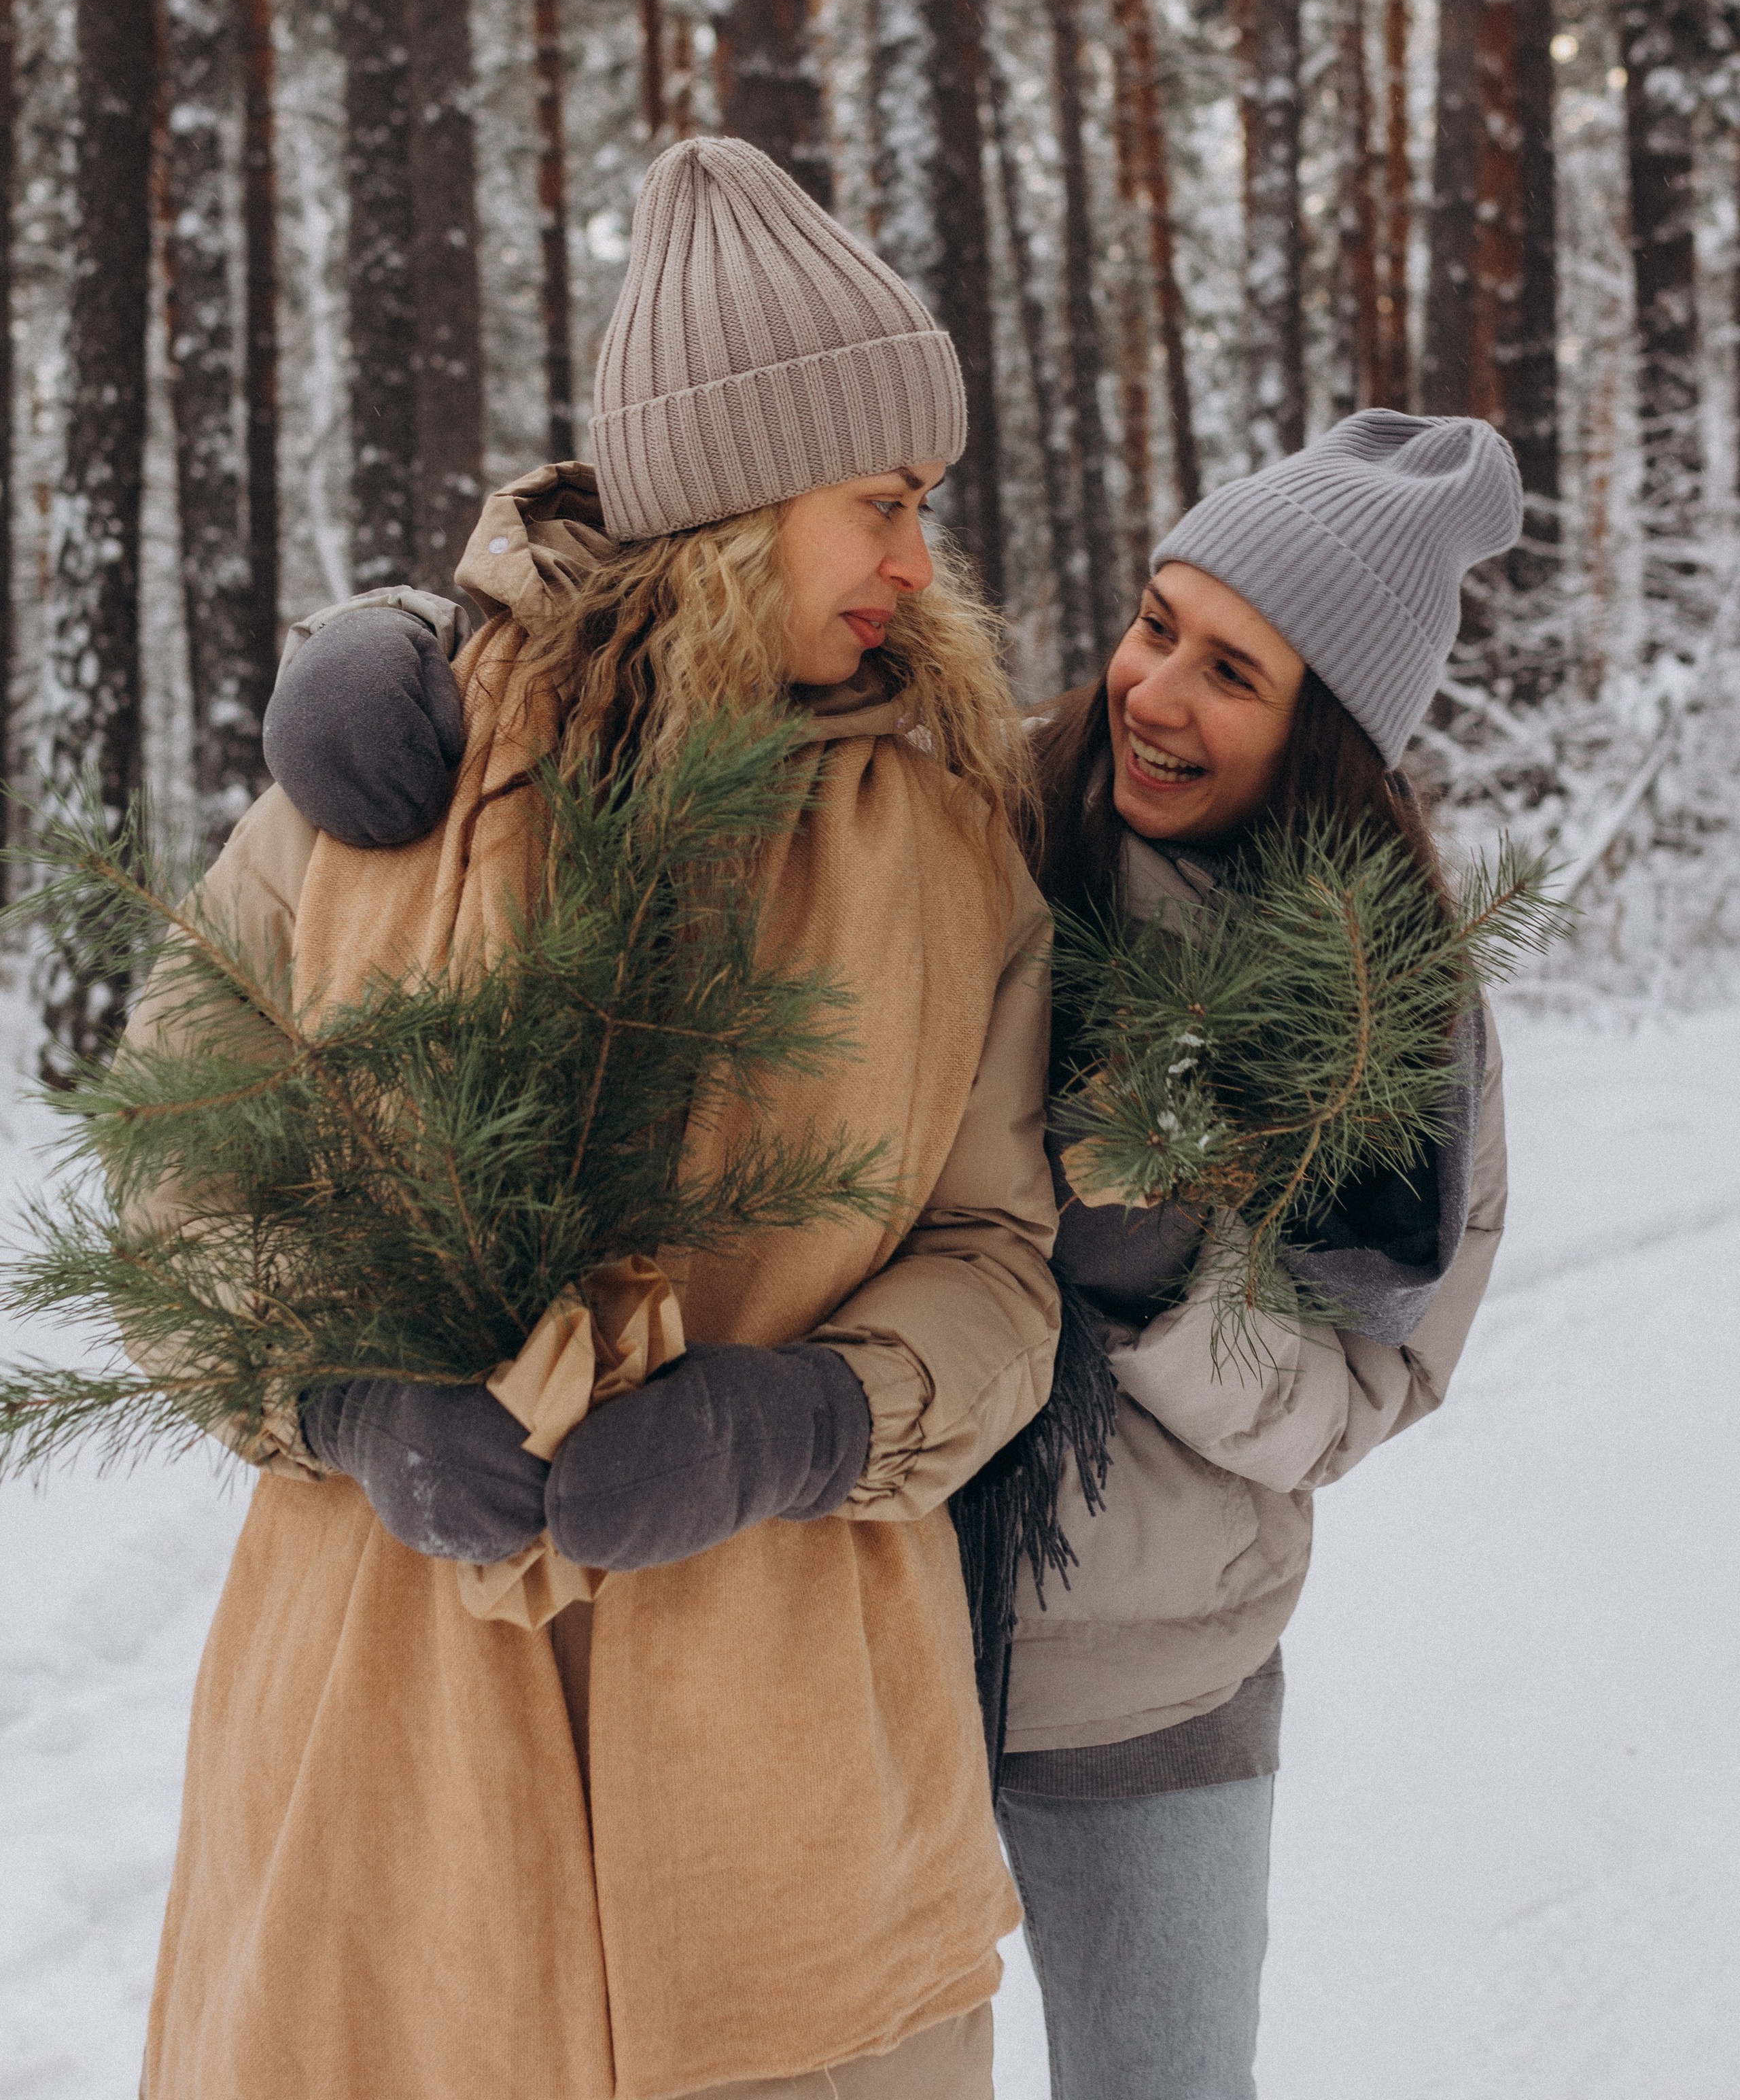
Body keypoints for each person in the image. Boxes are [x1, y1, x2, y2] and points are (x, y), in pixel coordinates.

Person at [134, 137, 1060, 2100]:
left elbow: (1001, 1258)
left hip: (793, 1820)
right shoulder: (388, 777)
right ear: (735, 508)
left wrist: (816, 1418)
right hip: (385, 1803)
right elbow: (171, 1169)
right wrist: (343, 1405)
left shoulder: (953, 845)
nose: (921, 562)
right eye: (881, 503)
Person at [996, 411, 1521, 2099]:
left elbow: (1362, 1393)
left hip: (1151, 1694)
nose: (1151, 690)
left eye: (1232, 671)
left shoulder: (1383, 1009)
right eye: (1155, 622)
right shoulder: (967, 822)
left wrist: (1164, 1277)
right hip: (847, 1642)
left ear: (1324, 743)